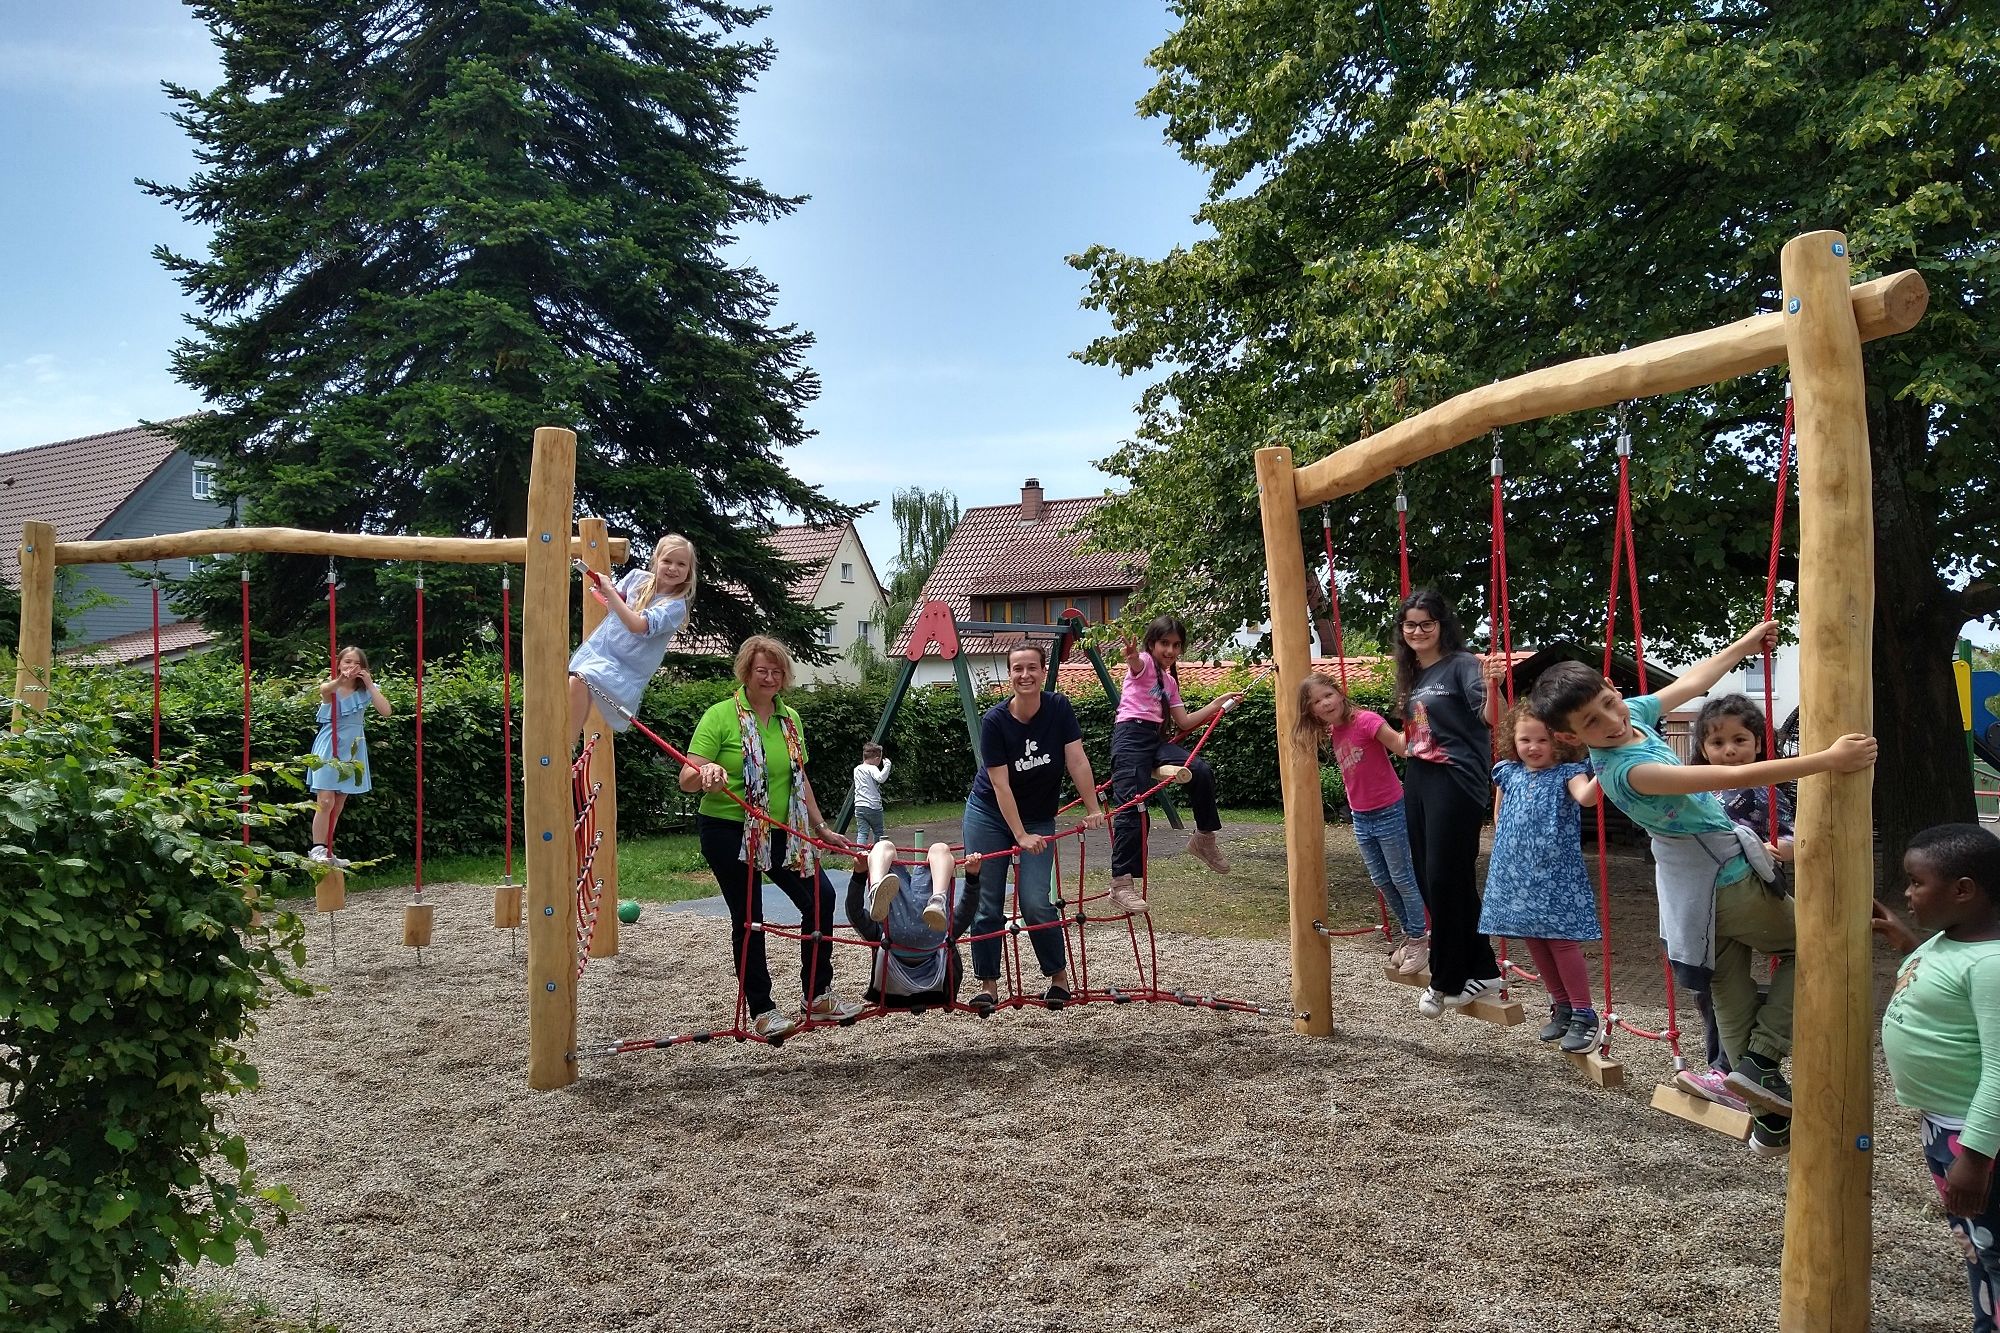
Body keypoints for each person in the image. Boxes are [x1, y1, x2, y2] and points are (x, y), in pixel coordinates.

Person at [1529, 621, 1877, 1157]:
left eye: (1608, 703)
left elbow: (1694, 681)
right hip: (1725, 884)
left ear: (1613, 689)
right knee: (1818, 944)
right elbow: (1727, 780)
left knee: (1729, 995)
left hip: (1690, 900)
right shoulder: (1630, 769)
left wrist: (1744, 645)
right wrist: (1829, 761)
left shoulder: (1636, 719)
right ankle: (1763, 1059)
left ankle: (1769, 1124)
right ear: (1574, 737)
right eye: (1592, 723)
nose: (1610, 720)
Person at [681, 636, 861, 1041]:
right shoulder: (721, 716)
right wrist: (707, 774)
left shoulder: (789, 719)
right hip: (729, 830)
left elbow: (799, 779)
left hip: (781, 831)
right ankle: (762, 1010)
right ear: (746, 672)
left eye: (777, 671)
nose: (769, 678)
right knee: (750, 916)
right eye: (762, 670)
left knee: (822, 899)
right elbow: (687, 778)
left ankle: (817, 994)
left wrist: (820, 826)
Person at [1872, 823, 2000, 1332]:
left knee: (1993, 1249)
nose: (1906, 893)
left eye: (1915, 882)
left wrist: (1974, 1157)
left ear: (1963, 890)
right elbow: (1940, 986)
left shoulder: (1991, 964)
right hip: (1944, 1128)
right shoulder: (1950, 940)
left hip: (1977, 1137)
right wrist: (1906, 942)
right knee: (1977, 1245)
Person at [1671, 693, 1798, 1112]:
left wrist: (1777, 846)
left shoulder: (1768, 789)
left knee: (1733, 984)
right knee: (1720, 987)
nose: (1729, 751)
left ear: (1759, 743)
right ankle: (1741, 1075)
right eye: (1718, 743)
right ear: (1703, 751)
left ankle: (1741, 1070)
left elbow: (1795, 836)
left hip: (1743, 891)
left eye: (1739, 740)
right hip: (1710, 899)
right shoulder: (1697, 790)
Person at [964, 642, 1108, 1012]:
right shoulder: (995, 721)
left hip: (1038, 817)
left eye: (1031, 668)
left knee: (1034, 901)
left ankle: (1058, 978)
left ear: (1044, 672)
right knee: (988, 901)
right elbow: (1000, 784)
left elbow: (1076, 760)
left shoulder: (1058, 708)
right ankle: (988, 985)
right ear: (1009, 675)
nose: (1024, 675)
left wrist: (1092, 807)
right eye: (1017, 669)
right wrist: (1020, 835)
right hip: (990, 813)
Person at [1392, 590, 1504, 1017]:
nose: (1418, 631)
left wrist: (1493, 685)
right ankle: (1483, 968)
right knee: (1430, 876)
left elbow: (1496, 719)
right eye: (1410, 625)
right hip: (1420, 775)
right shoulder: (1413, 673)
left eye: (1426, 624)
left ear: (1442, 626)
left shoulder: (1463, 666)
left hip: (1456, 777)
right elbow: (1415, 734)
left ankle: (1445, 979)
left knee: (1444, 875)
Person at [1476, 694, 1603, 1052]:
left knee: (1561, 940)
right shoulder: (1508, 771)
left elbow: (1588, 798)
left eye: (1542, 740)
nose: (1533, 747)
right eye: (1525, 739)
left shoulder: (1568, 774)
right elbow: (1500, 815)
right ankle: (1561, 1005)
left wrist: (1610, 761)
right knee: (1532, 938)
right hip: (1516, 873)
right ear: (1513, 742)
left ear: (1559, 741)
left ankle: (1584, 1013)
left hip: (1554, 875)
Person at [1108, 616, 1243, 913]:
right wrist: (1131, 656)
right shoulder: (1143, 663)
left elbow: (1184, 721)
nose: (1170, 650)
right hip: (1130, 737)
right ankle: (1121, 883)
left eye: (1176, 645)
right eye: (1164, 643)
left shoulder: (1169, 682)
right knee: (1132, 806)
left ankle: (1204, 838)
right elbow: (1136, 664)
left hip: (1154, 741)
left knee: (1201, 770)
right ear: (1152, 644)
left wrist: (1217, 704)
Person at [1295, 673, 1428, 974]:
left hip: (1390, 811)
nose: (1324, 703)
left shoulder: (1366, 720)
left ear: (1339, 693)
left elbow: (1403, 747)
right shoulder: (1334, 731)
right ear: (1312, 710)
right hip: (1361, 816)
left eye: (1327, 695)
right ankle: (1411, 933)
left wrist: (1416, 715)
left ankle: (1420, 938)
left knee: (1402, 877)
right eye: (1316, 702)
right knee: (1381, 880)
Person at [568, 534, 696, 743]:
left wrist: (610, 592)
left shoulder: (675, 606)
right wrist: (605, 592)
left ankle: (567, 746)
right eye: (667, 561)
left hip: (626, 671)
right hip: (603, 652)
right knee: (573, 684)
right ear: (656, 560)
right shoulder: (637, 578)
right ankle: (566, 742)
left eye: (681, 564)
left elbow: (637, 625)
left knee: (580, 679)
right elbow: (614, 607)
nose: (673, 568)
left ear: (689, 570)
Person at [842, 840, 981, 1009]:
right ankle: (938, 898)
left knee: (883, 847)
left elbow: (854, 913)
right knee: (940, 849)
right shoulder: (942, 932)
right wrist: (972, 878)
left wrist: (859, 874)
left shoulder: (880, 930)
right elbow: (966, 913)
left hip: (898, 935)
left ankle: (876, 889)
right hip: (931, 931)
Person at [307, 645, 392, 867]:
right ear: (339, 664)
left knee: (338, 804)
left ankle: (328, 849)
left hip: (353, 747)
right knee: (325, 801)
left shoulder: (365, 691)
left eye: (356, 663)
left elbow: (386, 711)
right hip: (329, 745)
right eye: (347, 662)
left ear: (363, 667)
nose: (351, 666)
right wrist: (341, 679)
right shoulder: (331, 688)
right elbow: (325, 690)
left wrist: (370, 684)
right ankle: (317, 849)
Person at [851, 742, 893, 847]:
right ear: (877, 758)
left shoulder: (857, 769)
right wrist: (887, 766)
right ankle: (878, 852)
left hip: (859, 805)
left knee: (862, 832)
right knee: (878, 831)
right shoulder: (872, 768)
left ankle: (860, 853)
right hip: (873, 806)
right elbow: (881, 778)